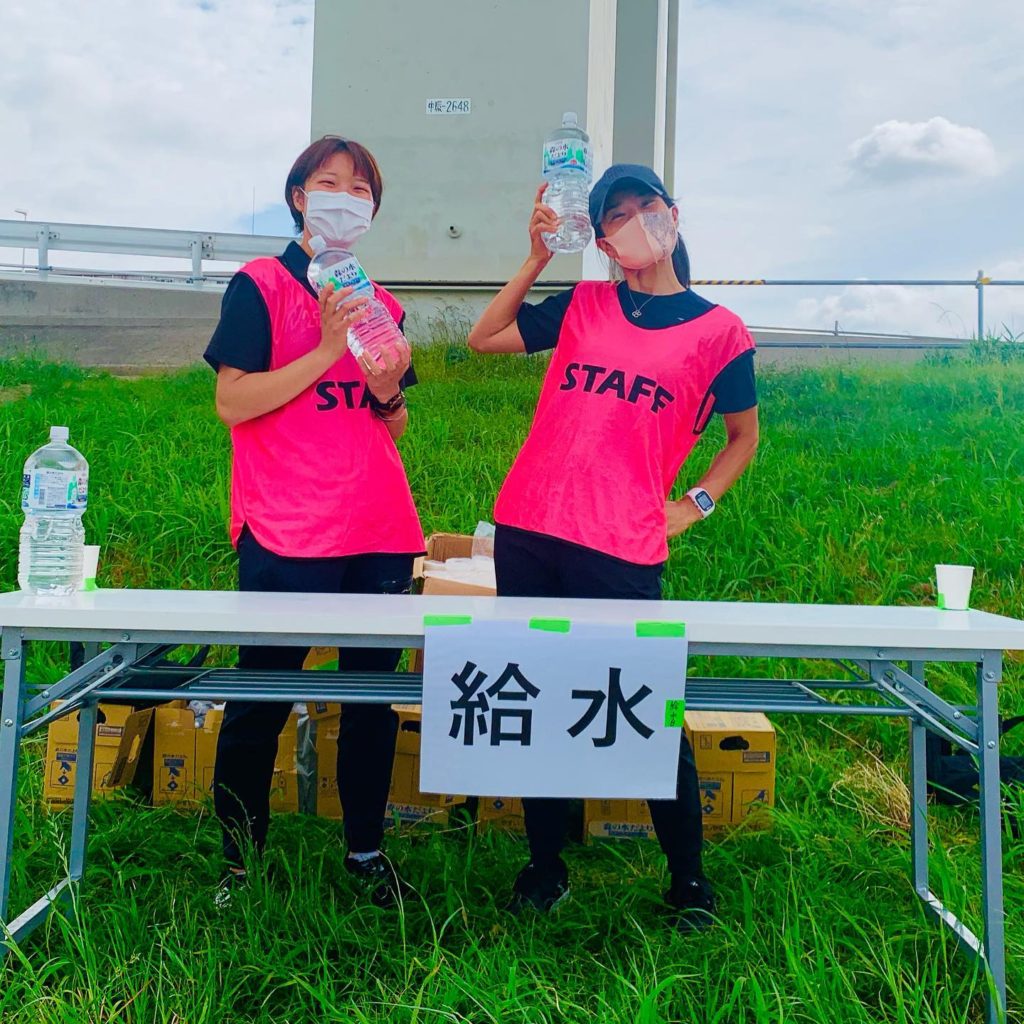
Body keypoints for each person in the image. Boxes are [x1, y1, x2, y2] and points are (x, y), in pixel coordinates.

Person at [467, 164, 760, 929]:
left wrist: (693, 505)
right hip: (530, 528)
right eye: (616, 215)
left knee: (647, 708)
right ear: (601, 242)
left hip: (622, 546)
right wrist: (536, 258)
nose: (635, 221)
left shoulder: (719, 331)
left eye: (645, 206)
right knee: (539, 699)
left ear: (673, 213)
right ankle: (546, 865)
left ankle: (688, 881)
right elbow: (484, 338)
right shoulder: (585, 304)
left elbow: (742, 437)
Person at [203, 135, 424, 906]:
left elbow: (393, 422)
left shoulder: (378, 300)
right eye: (329, 183)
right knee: (259, 698)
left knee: (369, 701)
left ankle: (365, 852)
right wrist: (328, 347)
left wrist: (387, 387)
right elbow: (233, 401)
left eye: (360, 190)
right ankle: (241, 863)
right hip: (286, 527)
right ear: (299, 197)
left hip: (379, 527)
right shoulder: (261, 286)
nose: (345, 198)